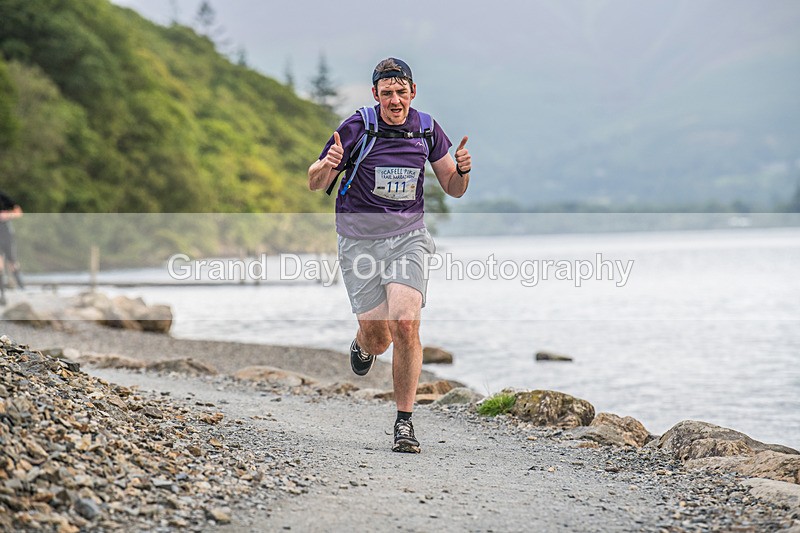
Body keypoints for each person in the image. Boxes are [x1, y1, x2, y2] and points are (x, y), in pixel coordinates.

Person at [308, 58, 471, 453]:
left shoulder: (428, 130)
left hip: (407, 238)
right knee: (379, 339)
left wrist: (463, 171)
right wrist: (328, 165)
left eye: (401, 92)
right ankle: (363, 343)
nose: (395, 100)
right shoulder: (359, 126)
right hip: (358, 242)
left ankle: (404, 423)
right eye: (387, 94)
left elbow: (453, 187)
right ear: (375, 94)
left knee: (405, 322)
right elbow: (315, 182)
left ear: (413, 92)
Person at [0, 190, 24, 298]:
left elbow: (19, 212)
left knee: (12, 262)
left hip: (6, 233)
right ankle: (2, 294)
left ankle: (22, 287)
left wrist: (7, 215)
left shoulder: (3, 196)